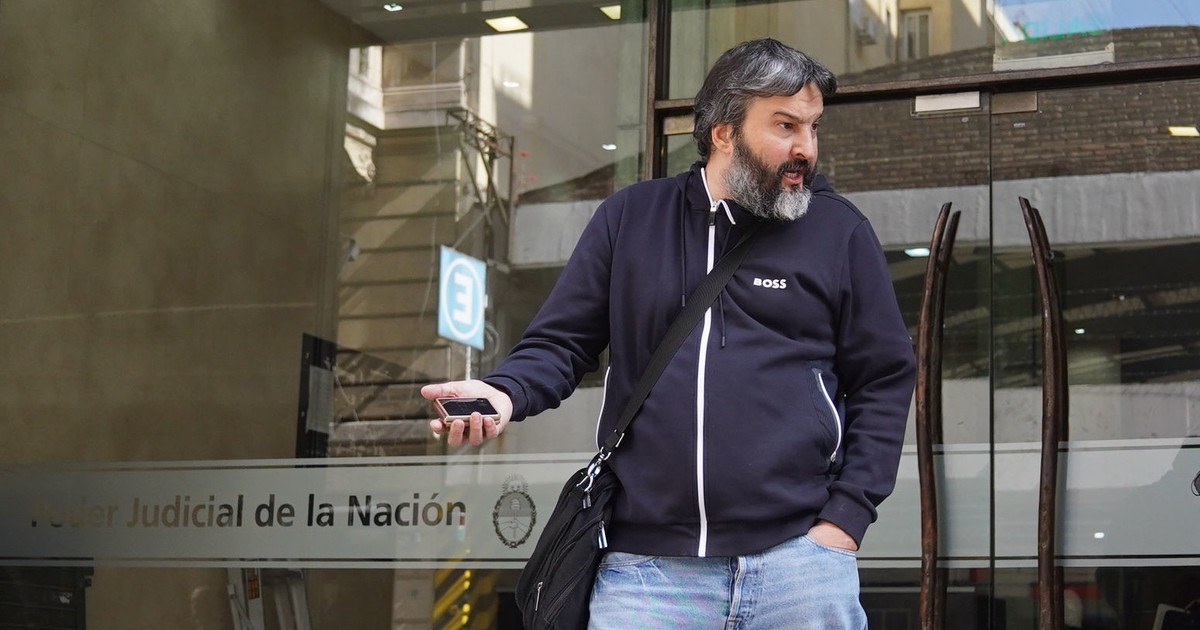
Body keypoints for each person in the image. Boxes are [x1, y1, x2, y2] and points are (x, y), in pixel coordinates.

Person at [421, 38, 916, 629]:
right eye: (785, 126)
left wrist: (844, 522)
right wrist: (504, 393)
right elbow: (562, 343)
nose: (805, 149)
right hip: (646, 576)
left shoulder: (839, 231)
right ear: (724, 132)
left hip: (798, 568)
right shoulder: (630, 218)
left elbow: (884, 378)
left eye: (813, 128)